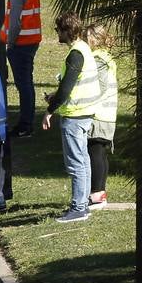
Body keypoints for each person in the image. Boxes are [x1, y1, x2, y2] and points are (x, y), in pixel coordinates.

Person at [42, 13, 99, 224]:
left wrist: (50, 109)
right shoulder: (84, 48)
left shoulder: (76, 53)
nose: (57, 34)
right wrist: (56, 97)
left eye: (58, 30)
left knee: (76, 163)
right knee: (83, 160)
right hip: (85, 111)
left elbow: (67, 88)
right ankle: (83, 205)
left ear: (67, 30)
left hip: (75, 115)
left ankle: (78, 209)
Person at [2, 0, 42, 138]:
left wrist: (10, 43)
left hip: (21, 43)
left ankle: (25, 125)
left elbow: (15, 22)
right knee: (26, 82)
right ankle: (27, 122)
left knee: (23, 84)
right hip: (31, 41)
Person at [86, 23, 117, 210]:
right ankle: (100, 193)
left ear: (95, 39)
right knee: (100, 153)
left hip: (99, 113)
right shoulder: (107, 57)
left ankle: (97, 195)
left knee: (95, 152)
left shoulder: (98, 59)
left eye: (87, 37)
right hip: (107, 113)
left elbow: (100, 86)